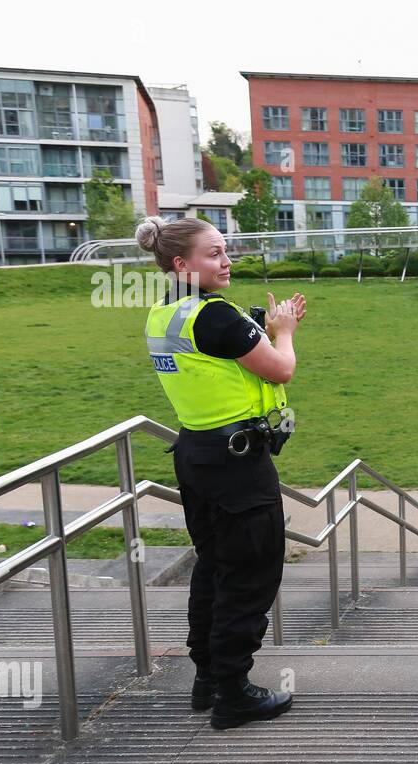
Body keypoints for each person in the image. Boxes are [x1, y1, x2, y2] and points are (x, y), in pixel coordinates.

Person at [137, 215, 303, 731]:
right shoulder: (216, 317)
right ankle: (235, 692)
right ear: (183, 263)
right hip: (236, 463)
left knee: (213, 568)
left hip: (196, 455)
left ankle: (208, 679)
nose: (226, 259)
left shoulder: (165, 312)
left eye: (226, 249)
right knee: (250, 572)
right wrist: (283, 332)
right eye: (213, 253)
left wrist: (261, 331)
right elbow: (280, 369)